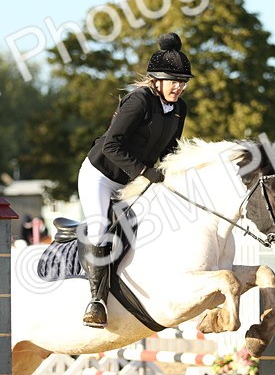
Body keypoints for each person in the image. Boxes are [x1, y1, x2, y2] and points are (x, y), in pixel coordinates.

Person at [76, 31, 193, 328]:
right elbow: (112, 145)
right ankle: (96, 301)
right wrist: (144, 172)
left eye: (182, 83)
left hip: (132, 179)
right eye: (173, 81)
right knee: (101, 226)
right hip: (102, 174)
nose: (178, 88)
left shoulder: (179, 109)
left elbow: (171, 150)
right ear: (157, 80)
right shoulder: (138, 101)